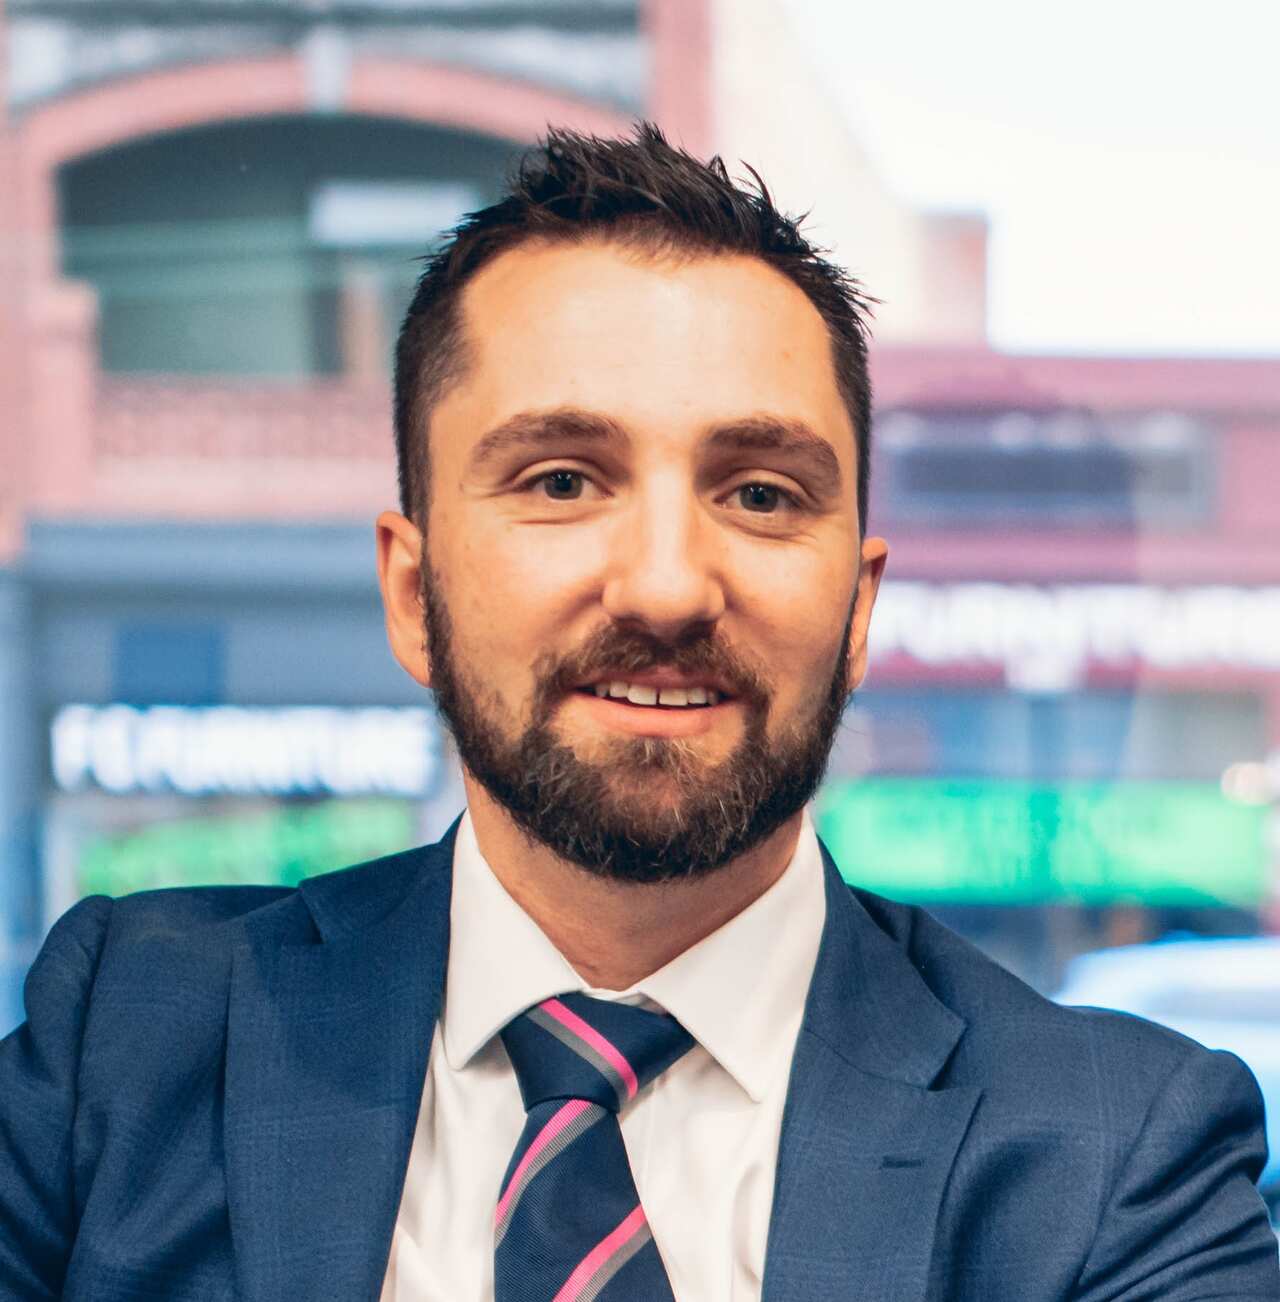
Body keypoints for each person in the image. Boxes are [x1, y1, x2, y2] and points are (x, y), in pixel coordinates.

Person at [1, 125, 1276, 1302]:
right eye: (562, 479)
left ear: (858, 606)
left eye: (763, 494)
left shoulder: (1122, 1159)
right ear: (410, 589)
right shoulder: (122, 1043)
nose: (667, 585)